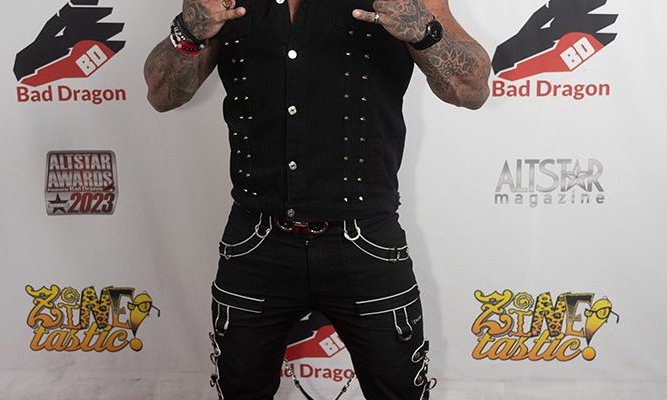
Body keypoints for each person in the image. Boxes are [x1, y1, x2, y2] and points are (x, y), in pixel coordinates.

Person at [144, 0, 489, 398]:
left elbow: (472, 89)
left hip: (367, 241)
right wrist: (188, 31)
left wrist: (424, 32)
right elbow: (162, 94)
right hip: (255, 241)